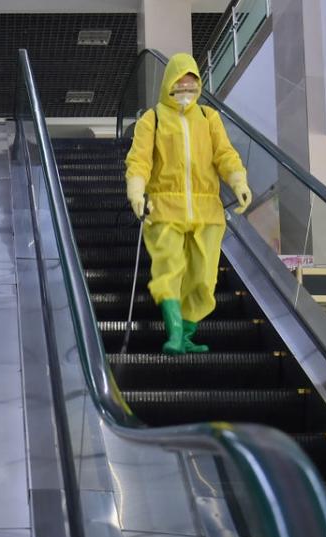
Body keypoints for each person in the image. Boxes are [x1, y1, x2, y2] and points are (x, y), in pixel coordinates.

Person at [124, 52, 251, 354]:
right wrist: (136, 190)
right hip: (164, 209)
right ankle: (174, 333)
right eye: (179, 83)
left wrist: (238, 181)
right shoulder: (152, 118)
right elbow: (139, 159)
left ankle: (188, 335)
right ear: (169, 82)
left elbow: (225, 154)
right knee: (168, 269)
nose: (185, 90)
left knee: (203, 280)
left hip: (208, 212)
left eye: (191, 84)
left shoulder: (209, 118)